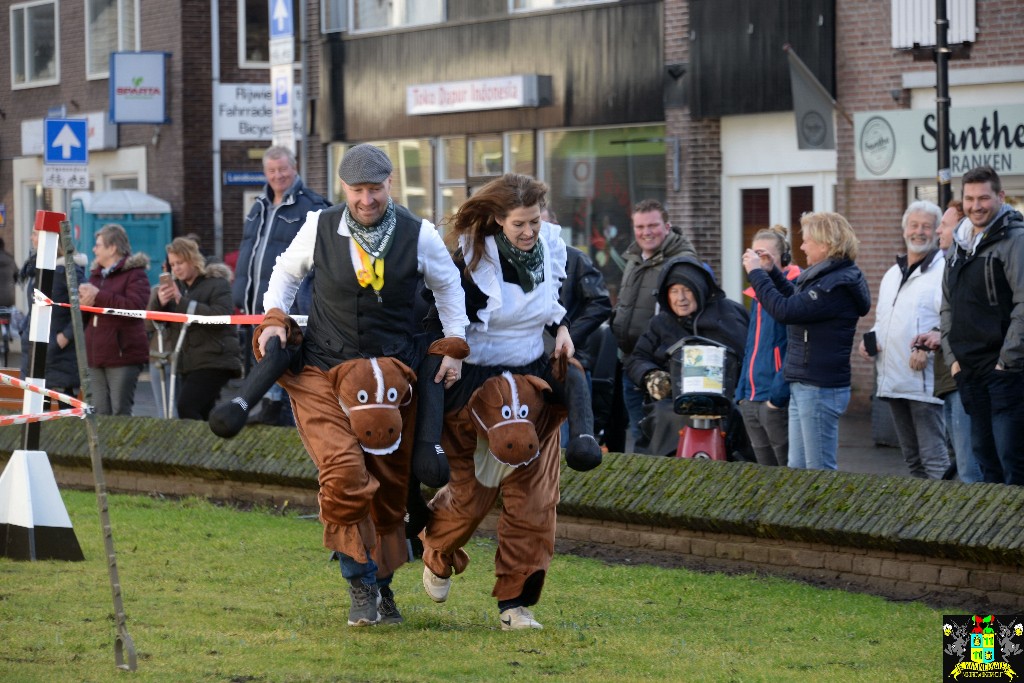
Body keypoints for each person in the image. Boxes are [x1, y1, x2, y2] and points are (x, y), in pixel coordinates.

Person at [255, 143, 469, 627]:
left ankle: (383, 587)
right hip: (325, 372)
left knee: (390, 488)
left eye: (375, 189)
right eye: (357, 191)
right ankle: (358, 581)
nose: (367, 200)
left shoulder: (420, 233)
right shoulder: (319, 226)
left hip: (393, 379)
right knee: (344, 473)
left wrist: (455, 342)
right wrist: (273, 319)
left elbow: (449, 287)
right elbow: (285, 274)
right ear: (343, 189)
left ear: (390, 185)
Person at [419, 173, 582, 631]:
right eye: (519, 225)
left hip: (533, 386)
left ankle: (516, 604)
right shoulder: (468, 260)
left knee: (535, 500)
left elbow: (576, 301)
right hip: (474, 385)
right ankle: (437, 548)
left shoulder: (556, 247)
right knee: (471, 499)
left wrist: (565, 329)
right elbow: (440, 317)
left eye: (535, 221)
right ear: (497, 221)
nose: (529, 232)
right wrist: (448, 351)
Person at [742, 212, 871, 471]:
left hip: (819, 387)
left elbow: (786, 311)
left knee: (818, 471)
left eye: (807, 240)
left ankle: (825, 513)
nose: (801, 246)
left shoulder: (835, 285)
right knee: (798, 469)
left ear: (825, 244)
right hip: (804, 383)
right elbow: (796, 302)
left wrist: (756, 274)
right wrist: (773, 273)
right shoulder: (825, 277)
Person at [233, 146, 329, 425]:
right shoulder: (258, 206)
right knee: (260, 365)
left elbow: (321, 263)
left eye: (283, 169)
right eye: (272, 170)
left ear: (295, 167)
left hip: (291, 311)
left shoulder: (313, 206)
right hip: (255, 308)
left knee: (285, 373)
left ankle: (284, 421)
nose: (278, 175)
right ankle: (268, 409)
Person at [941, 165, 1024, 486]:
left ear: (1000, 197)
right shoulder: (959, 246)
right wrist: (954, 360)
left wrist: (1008, 360)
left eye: (984, 198)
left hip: (1005, 372)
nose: (977, 205)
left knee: (1012, 463)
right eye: (970, 198)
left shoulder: (1014, 240)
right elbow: (946, 306)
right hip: (969, 371)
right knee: (984, 459)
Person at [859, 201, 949, 479]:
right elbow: (884, 320)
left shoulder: (943, 271)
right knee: (911, 459)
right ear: (904, 230)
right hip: (893, 378)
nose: (919, 232)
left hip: (925, 382)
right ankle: (923, 516)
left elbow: (950, 319)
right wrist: (870, 340)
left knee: (935, 459)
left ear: (936, 232)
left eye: (926, 226)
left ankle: (949, 517)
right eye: (914, 225)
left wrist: (926, 346)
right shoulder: (891, 274)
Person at [625, 256, 748, 457]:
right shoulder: (660, 323)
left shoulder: (730, 315)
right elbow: (637, 358)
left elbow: (748, 355)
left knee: (742, 420)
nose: (680, 298)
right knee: (662, 418)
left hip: (726, 398)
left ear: (699, 289)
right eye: (674, 291)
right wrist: (651, 375)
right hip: (673, 400)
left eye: (687, 290)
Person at [610, 199, 698, 450]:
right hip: (631, 363)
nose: (646, 232)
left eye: (652, 225)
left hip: (661, 371)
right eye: (640, 227)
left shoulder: (681, 262)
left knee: (661, 444)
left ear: (667, 226)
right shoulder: (634, 258)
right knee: (639, 437)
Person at [911, 200, 982, 483]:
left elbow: (974, 318)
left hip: (961, 375)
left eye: (944, 224)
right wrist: (937, 332)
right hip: (949, 376)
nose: (939, 229)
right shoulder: (952, 265)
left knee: (969, 467)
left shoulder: (964, 267)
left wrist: (942, 335)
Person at [540, 207, 612, 445]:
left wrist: (569, 335)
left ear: (554, 225)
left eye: (540, 224)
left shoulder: (575, 259)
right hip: (529, 364)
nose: (532, 232)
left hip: (568, 361)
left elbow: (600, 303)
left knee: (565, 440)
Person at [149, 237, 241, 421]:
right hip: (188, 361)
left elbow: (221, 317)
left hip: (214, 359)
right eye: (172, 264)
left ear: (193, 260)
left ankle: (200, 446)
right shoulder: (179, 287)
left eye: (180, 262)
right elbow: (155, 324)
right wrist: (160, 303)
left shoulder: (217, 283)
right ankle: (215, 443)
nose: (176, 268)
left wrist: (181, 302)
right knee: (203, 411)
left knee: (187, 407)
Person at [735, 226, 801, 466]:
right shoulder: (757, 294)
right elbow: (752, 345)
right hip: (751, 397)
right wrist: (741, 392)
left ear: (782, 259)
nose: (755, 262)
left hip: (774, 399)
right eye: (754, 254)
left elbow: (793, 347)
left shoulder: (793, 291)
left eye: (763, 256)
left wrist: (777, 398)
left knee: (786, 469)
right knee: (764, 474)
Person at [78, 224, 151, 416]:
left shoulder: (136, 274)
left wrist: (98, 296)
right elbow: (86, 316)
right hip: (95, 356)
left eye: (98, 245)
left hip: (122, 355)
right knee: (98, 412)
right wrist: (81, 303)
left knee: (120, 412)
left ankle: (122, 447)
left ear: (112, 248)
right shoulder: (94, 276)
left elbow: (135, 307)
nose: (94, 249)